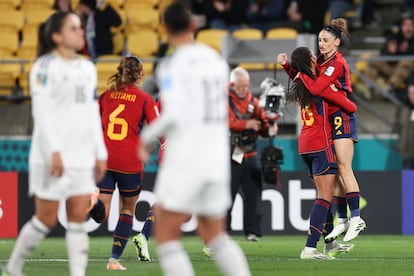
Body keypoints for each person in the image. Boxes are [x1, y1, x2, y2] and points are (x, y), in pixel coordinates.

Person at [138, 2, 251, 275]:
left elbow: (174, 113)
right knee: (215, 235)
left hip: (188, 156)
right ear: (193, 25)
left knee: (165, 232)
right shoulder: (216, 60)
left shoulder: (172, 65)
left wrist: (146, 137)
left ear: (164, 30)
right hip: (216, 156)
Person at [2, 11, 107, 276]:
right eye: (73, 28)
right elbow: (41, 111)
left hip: (82, 155)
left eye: (80, 27)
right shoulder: (44, 67)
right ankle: (13, 268)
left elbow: (91, 111)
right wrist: (55, 152)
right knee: (46, 219)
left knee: (78, 217)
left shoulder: (87, 68)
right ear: (57, 36)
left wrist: (100, 151)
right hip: (49, 155)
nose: (80, 31)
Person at [279, 18, 366, 243]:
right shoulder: (321, 60)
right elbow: (309, 81)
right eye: (319, 40)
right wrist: (289, 68)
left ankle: (356, 217)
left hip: (343, 117)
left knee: (344, 167)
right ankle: (343, 220)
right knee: (336, 170)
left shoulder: (337, 62)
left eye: (326, 40)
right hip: (334, 115)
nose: (321, 44)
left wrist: (346, 102)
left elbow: (315, 87)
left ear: (337, 42)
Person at [88, 56, 159, 270]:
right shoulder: (146, 99)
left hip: (105, 159)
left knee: (102, 214)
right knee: (127, 211)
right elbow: (157, 128)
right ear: (139, 75)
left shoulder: (105, 97)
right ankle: (113, 260)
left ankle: (92, 201)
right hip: (130, 162)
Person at [285, 46, 356, 259]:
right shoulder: (317, 86)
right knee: (325, 196)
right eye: (312, 56)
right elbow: (349, 106)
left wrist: (287, 67)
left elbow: (299, 75)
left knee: (325, 192)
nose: (317, 57)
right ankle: (309, 248)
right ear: (308, 63)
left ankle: (330, 243)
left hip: (305, 144)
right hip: (320, 143)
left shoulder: (301, 84)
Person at [227, 66, 279, 242]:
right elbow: (227, 122)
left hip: (250, 153)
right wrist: (247, 124)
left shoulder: (254, 102)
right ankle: (222, 233)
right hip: (229, 155)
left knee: (254, 195)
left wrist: (269, 126)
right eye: (240, 86)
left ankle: (253, 231)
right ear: (231, 84)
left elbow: (263, 126)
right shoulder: (223, 100)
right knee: (227, 196)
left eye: (246, 86)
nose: (243, 89)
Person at [356, 14, 414, 100]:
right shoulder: (395, 37)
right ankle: (370, 89)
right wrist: (390, 52)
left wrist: (407, 50)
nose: (408, 29)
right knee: (373, 59)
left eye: (411, 25)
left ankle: (390, 89)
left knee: (407, 61)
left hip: (406, 73)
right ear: (401, 27)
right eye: (405, 25)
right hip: (391, 68)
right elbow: (384, 56)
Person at [398, 82, 414, 169]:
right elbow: (400, 127)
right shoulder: (404, 109)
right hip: (407, 153)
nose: (412, 96)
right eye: (410, 93)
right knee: (409, 181)